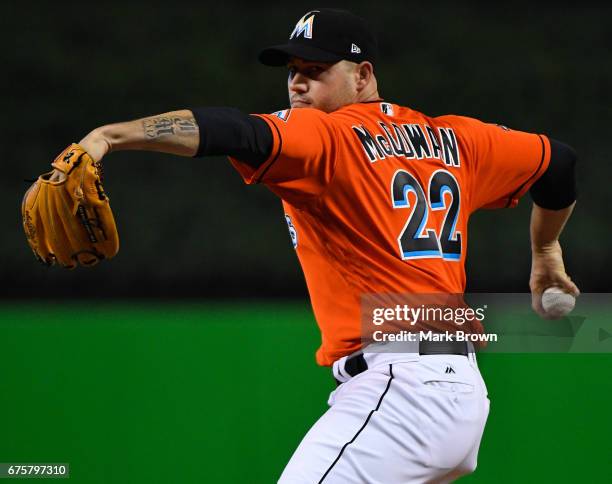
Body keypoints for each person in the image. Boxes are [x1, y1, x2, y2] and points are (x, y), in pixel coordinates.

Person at [67, 8, 579, 483]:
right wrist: (546, 250)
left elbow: (234, 132)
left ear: (363, 75)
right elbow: (558, 163)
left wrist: (109, 136)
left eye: (315, 68)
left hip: (403, 388)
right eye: (292, 68)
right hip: (453, 386)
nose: (297, 81)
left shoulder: (329, 137)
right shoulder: (458, 140)